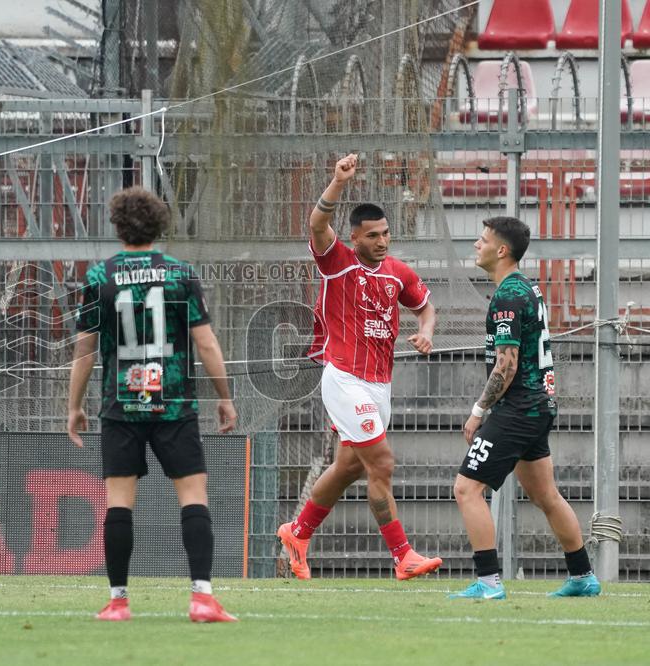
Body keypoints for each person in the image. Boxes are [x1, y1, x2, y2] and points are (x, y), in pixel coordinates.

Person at [67, 186, 238, 622]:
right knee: (193, 494)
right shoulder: (180, 274)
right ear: (161, 224)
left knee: (119, 501)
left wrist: (74, 406)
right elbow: (206, 342)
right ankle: (201, 597)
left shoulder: (99, 277)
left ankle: (118, 601)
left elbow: (84, 350)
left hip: (120, 404)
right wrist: (224, 396)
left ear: (118, 225)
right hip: (174, 402)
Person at [277, 155, 443, 581]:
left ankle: (298, 532)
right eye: (373, 235)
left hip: (378, 386)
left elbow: (425, 307)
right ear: (354, 237)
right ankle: (402, 555)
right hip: (343, 377)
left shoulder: (397, 273)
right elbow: (317, 224)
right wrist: (336, 182)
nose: (382, 241)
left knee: (350, 466)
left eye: (386, 233)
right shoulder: (337, 262)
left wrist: (427, 331)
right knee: (382, 463)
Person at [449, 217, 600, 600]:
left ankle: (488, 582)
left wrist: (479, 411)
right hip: (539, 405)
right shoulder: (525, 288)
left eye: (481, 240)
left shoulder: (507, 296)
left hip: (518, 408)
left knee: (467, 488)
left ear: (501, 250)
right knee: (546, 494)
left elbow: (507, 364)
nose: (475, 245)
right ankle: (582, 576)